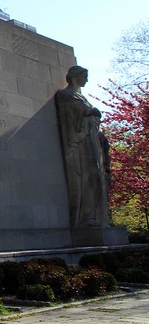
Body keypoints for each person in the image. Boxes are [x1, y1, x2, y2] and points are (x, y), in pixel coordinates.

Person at [55, 66, 110, 228]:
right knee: (87, 177)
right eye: (85, 76)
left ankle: (94, 216)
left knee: (95, 177)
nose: (87, 80)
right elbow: (73, 117)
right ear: (74, 77)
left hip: (91, 141)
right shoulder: (66, 95)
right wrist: (91, 111)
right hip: (80, 142)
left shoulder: (81, 97)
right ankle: (86, 217)